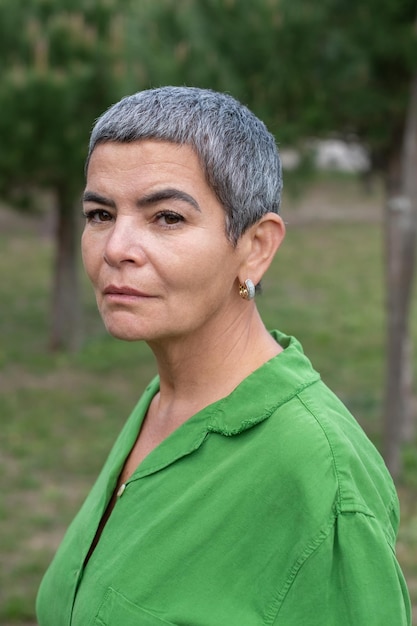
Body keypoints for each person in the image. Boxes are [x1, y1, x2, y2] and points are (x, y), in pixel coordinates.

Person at [36, 86, 411, 626]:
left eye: (166, 217)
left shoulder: (319, 478)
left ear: (256, 247)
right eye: (99, 214)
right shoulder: (166, 401)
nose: (115, 247)